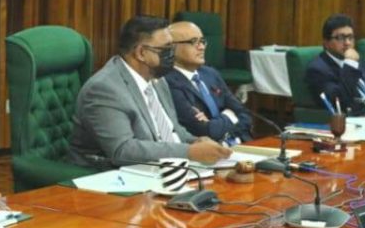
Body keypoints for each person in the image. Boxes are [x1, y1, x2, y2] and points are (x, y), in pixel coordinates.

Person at [67, 15, 232, 167]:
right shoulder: (105, 89)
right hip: (109, 175)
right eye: (166, 48)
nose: (172, 55)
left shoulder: (157, 79)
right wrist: (189, 152)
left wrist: (196, 142)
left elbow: (173, 130)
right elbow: (122, 150)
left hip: (162, 168)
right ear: (141, 53)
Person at [164, 21, 253, 145]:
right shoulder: (167, 81)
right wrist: (230, 116)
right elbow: (204, 130)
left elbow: (245, 115)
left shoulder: (210, 74)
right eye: (193, 42)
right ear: (171, 47)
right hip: (205, 152)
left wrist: (217, 123)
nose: (201, 47)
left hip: (241, 144)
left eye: (202, 41)